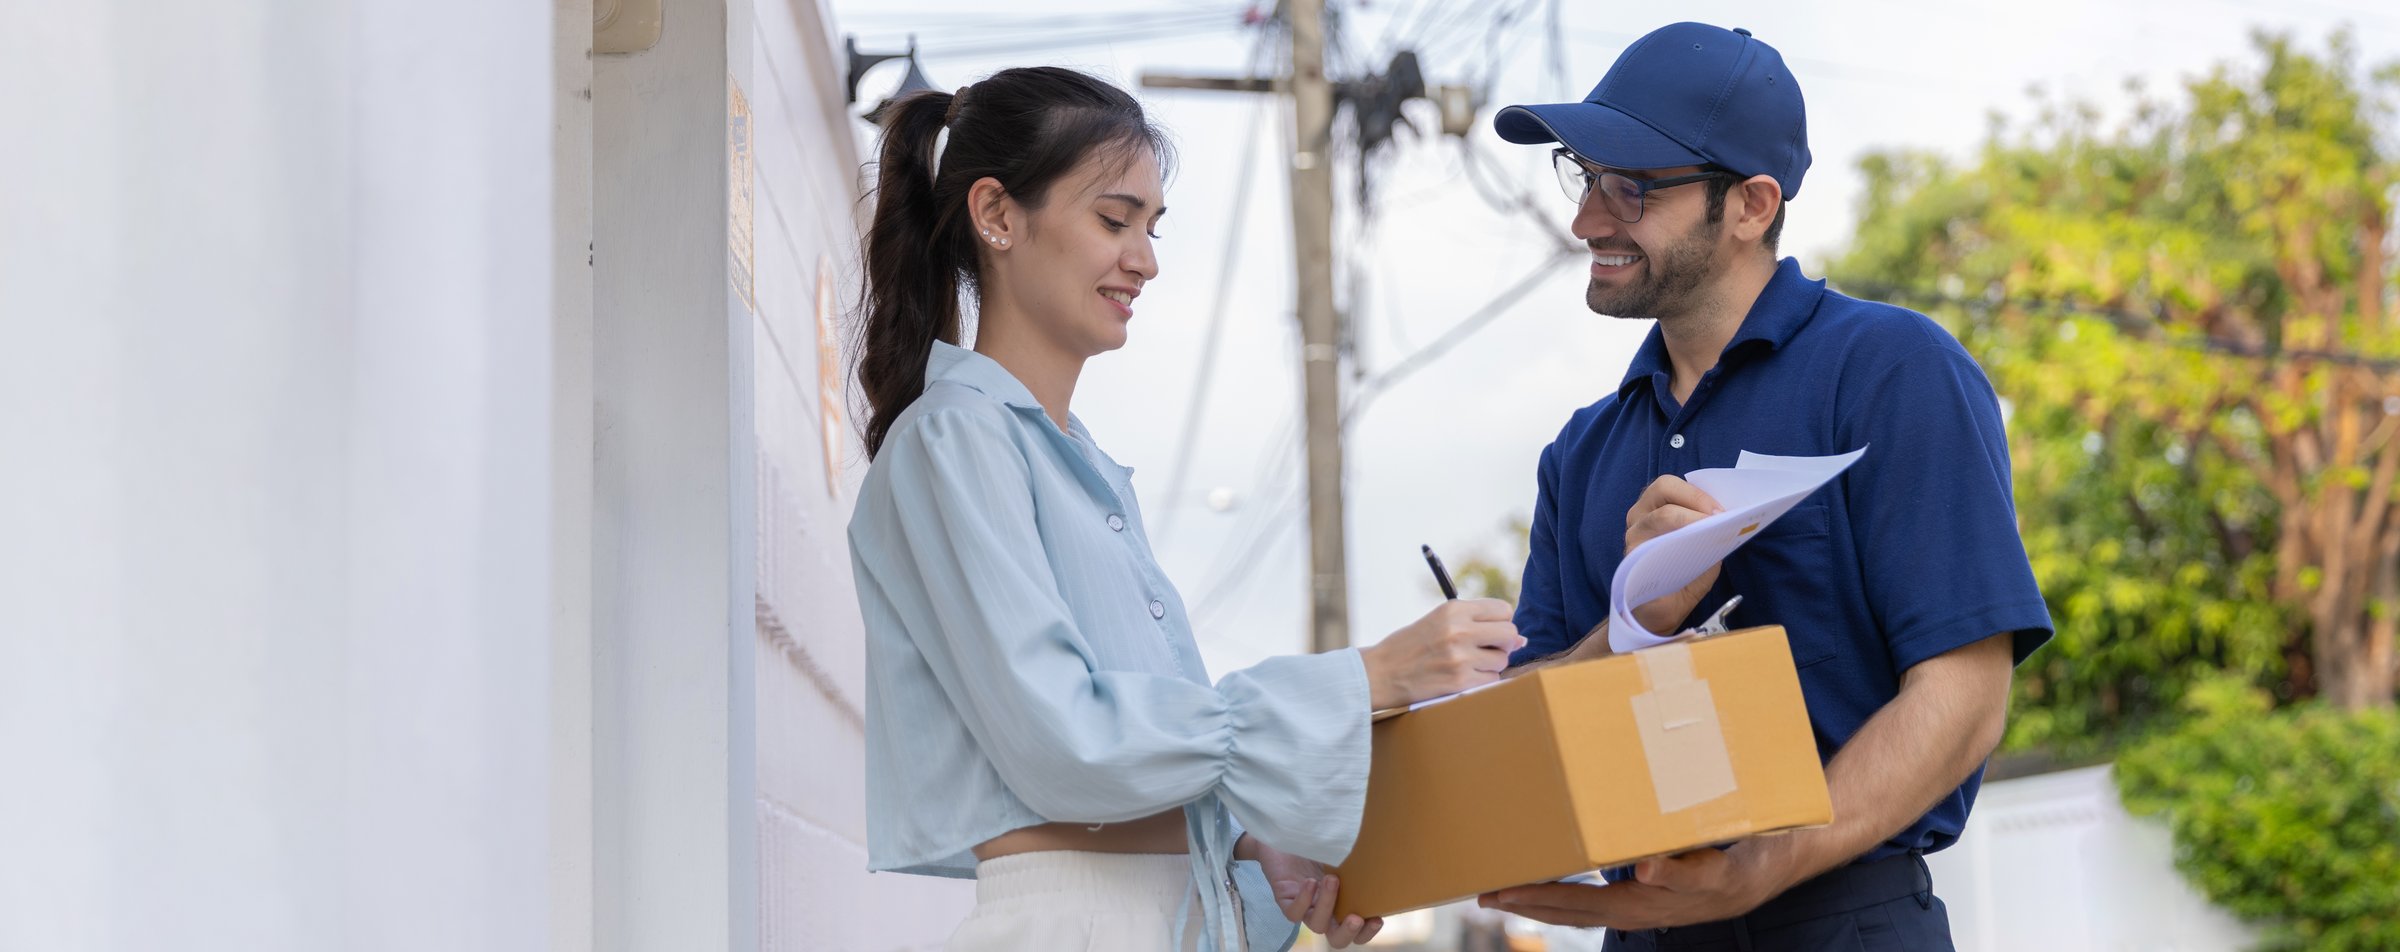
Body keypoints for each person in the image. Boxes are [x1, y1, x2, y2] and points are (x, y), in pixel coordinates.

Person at [846, 66, 1526, 952]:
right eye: (1113, 219)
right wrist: (1366, 679)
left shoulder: (1077, 465)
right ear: (998, 215)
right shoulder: (955, 442)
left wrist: (1254, 842)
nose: (1146, 258)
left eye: (1151, 227)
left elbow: (1129, 774)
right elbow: (1065, 743)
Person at [1472, 23, 2054, 951]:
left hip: (1845, 923)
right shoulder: (1581, 451)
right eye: (1586, 179)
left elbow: (1965, 692)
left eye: (1634, 187)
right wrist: (1637, 623)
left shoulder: (1893, 370)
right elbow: (1525, 731)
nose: (1588, 219)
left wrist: (1763, 867)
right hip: (1644, 931)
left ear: (1750, 203)